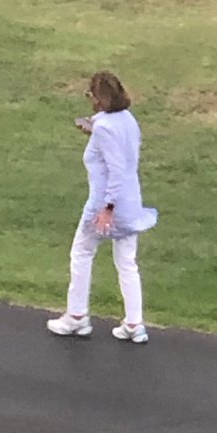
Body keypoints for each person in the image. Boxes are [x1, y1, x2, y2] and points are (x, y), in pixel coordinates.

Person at [47, 71, 158, 344]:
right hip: (132, 203)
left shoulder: (105, 128)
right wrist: (93, 129)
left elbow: (115, 170)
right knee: (127, 262)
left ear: (99, 98)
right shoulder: (127, 120)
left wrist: (107, 207)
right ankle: (134, 323)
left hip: (106, 204)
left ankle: (76, 316)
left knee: (82, 252)